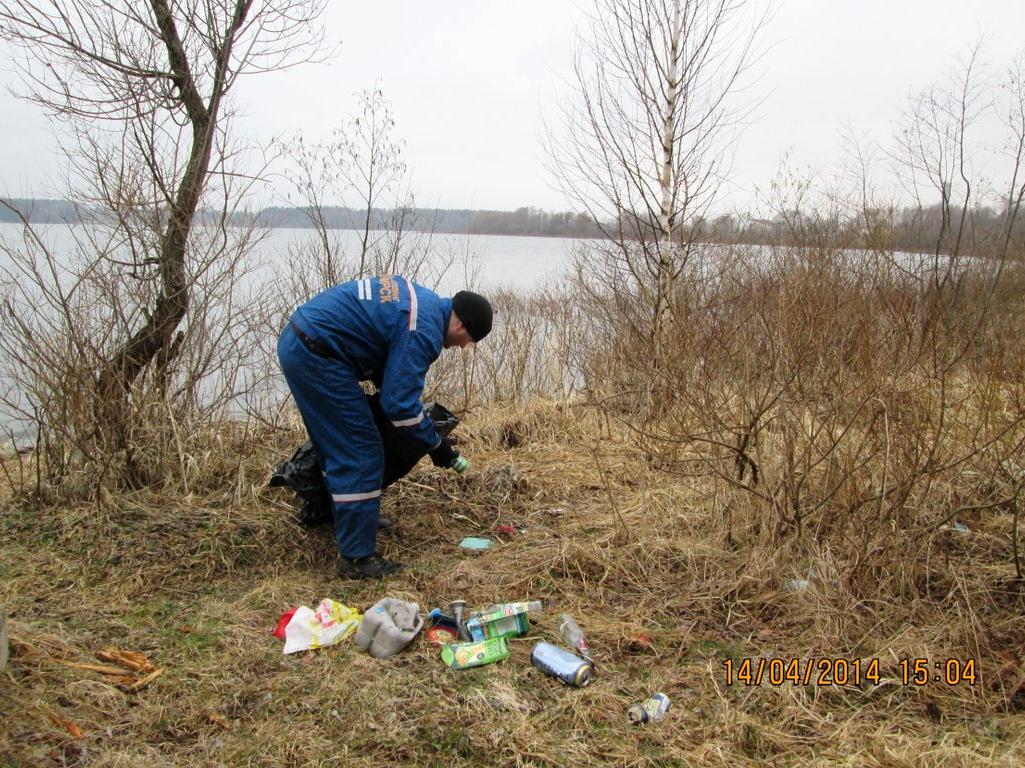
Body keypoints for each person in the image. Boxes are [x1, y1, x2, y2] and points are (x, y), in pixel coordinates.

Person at [277, 275, 493, 579]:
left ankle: (345, 517)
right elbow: (400, 408)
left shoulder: (425, 304)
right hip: (318, 356)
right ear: (461, 327)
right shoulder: (425, 331)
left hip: (302, 341)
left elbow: (384, 360)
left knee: (338, 443)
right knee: (361, 450)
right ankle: (356, 559)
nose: (461, 347)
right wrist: (436, 446)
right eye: (468, 342)